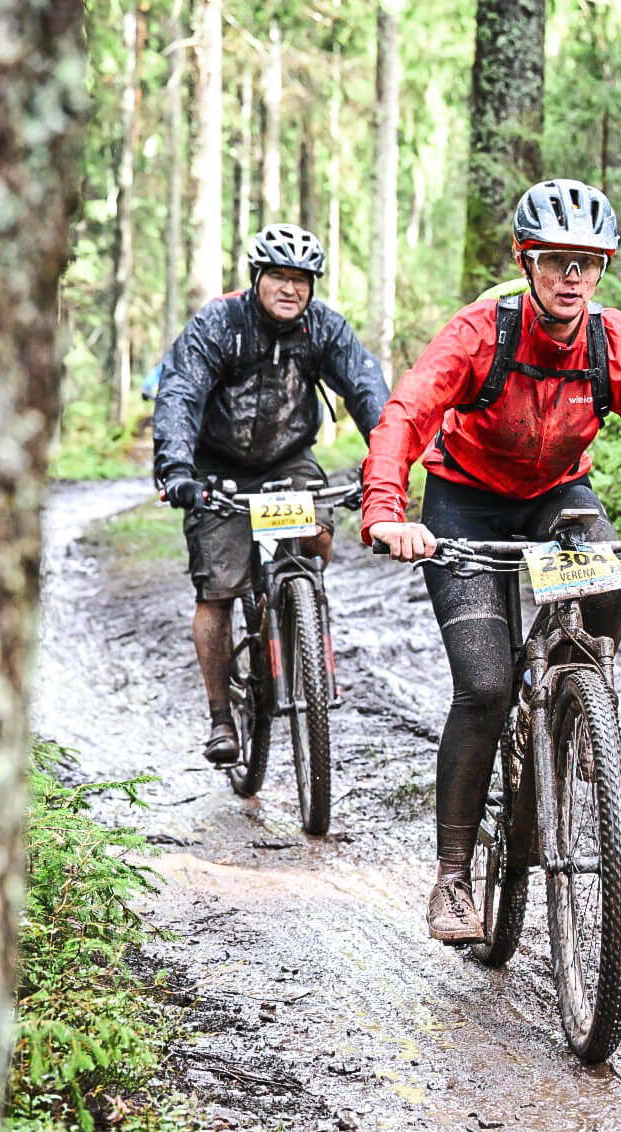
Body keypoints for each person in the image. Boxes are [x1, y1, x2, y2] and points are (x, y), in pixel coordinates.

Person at [362, 179, 621, 943]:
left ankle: (576, 705)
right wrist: (385, 510)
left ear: (602, 268)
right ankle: (453, 878)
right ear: (526, 261)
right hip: (465, 502)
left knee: (609, 582)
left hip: (555, 498)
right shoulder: (482, 333)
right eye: (555, 261)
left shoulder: (614, 342)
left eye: (588, 263)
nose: (572, 277)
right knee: (483, 686)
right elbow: (407, 412)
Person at [154, 224, 390, 764]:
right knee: (217, 590)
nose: (290, 288)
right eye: (279, 277)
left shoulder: (324, 327)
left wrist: (387, 459)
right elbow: (181, 393)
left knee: (317, 536)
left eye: (301, 279)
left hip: (288, 458)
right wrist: (177, 470)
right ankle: (221, 717)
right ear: (257, 278)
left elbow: (367, 389)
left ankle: (297, 611)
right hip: (217, 465)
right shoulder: (219, 324)